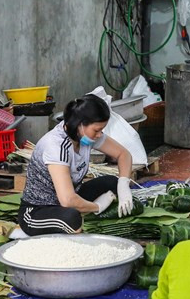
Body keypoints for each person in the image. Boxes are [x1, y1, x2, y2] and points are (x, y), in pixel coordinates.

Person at [17, 95, 134, 236]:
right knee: (72, 219)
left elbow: (124, 154)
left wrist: (123, 184)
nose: (99, 135)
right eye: (96, 130)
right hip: (38, 210)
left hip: (69, 197)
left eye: (101, 130)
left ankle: (84, 211)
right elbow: (67, 200)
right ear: (80, 124)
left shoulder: (84, 136)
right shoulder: (56, 146)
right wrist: (98, 206)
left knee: (112, 183)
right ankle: (83, 215)